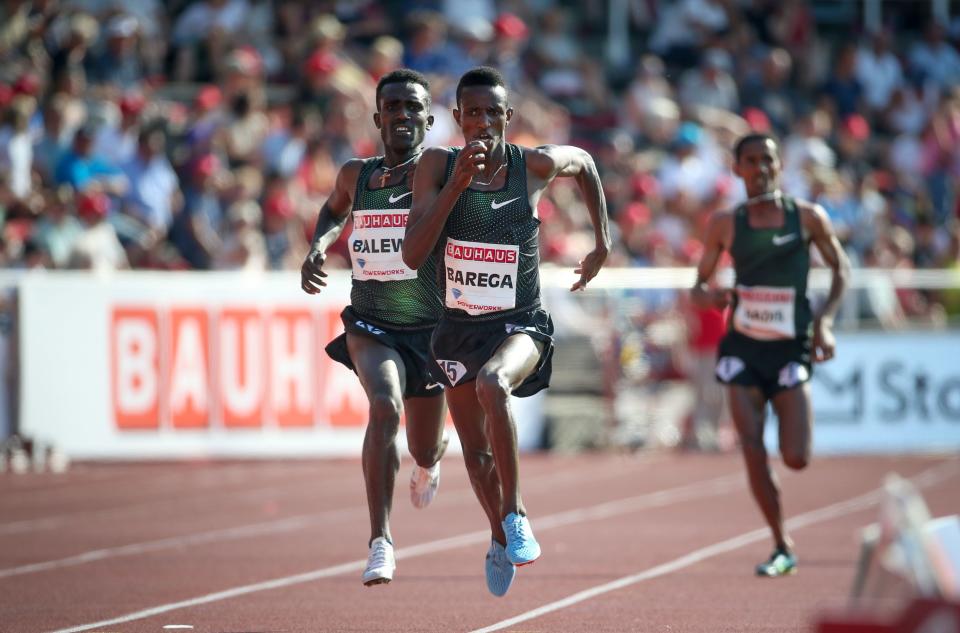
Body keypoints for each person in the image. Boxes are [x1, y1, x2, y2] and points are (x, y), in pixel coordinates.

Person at [402, 66, 610, 596]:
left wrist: (602, 240)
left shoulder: (532, 165)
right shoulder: (435, 165)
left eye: (493, 112)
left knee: (496, 383)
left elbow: (583, 162)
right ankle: (497, 534)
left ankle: (515, 515)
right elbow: (411, 253)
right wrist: (455, 187)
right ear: (457, 118)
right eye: (473, 113)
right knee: (476, 454)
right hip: (457, 328)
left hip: (520, 323)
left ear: (507, 118)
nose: (483, 122)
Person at [300, 69, 449, 587]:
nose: (404, 116)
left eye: (414, 108)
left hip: (431, 330)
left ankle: (430, 462)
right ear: (378, 116)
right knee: (385, 406)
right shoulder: (355, 174)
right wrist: (319, 244)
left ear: (429, 119)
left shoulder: (443, 174)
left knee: (424, 446)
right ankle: (380, 542)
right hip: (371, 321)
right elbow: (332, 210)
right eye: (394, 107)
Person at [691, 133, 850, 577]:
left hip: (789, 349)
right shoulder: (726, 223)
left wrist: (826, 322)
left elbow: (841, 267)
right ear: (737, 169)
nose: (759, 169)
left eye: (767, 160)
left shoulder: (807, 218)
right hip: (741, 349)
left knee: (796, 457)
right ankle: (781, 544)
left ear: (779, 167)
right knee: (751, 447)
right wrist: (713, 295)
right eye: (750, 161)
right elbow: (696, 288)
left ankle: (782, 535)